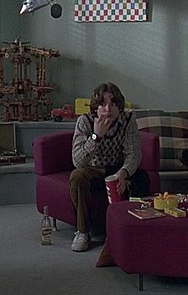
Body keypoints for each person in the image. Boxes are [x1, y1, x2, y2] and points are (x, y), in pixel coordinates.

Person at [69, 82, 149, 252]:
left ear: (119, 107)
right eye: (103, 104)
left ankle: (135, 228)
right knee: (77, 177)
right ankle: (83, 231)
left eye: (113, 104)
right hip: (93, 169)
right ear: (95, 108)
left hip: (117, 168)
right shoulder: (85, 121)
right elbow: (77, 161)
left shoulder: (128, 120)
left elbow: (133, 154)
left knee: (142, 177)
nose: (108, 109)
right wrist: (96, 136)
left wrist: (124, 172)